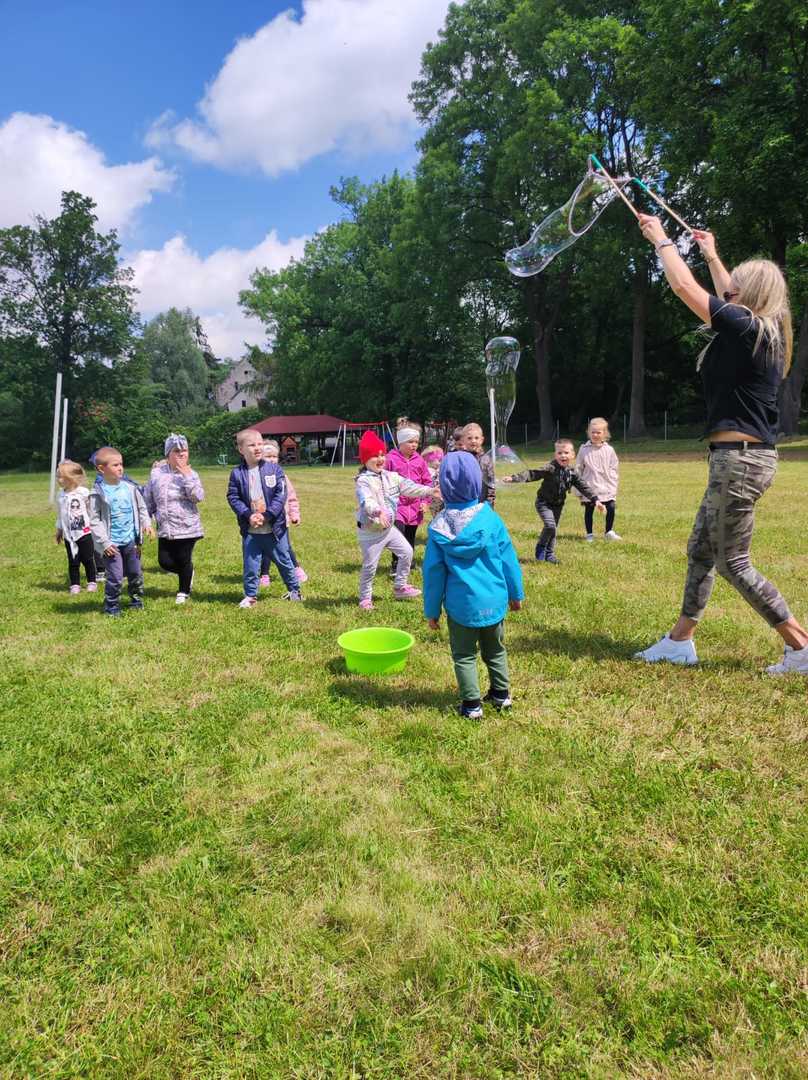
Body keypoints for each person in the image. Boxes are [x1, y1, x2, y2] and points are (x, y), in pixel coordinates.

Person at [634, 214, 808, 674]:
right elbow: (724, 291)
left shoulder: (751, 329)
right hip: (737, 460)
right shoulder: (758, 329)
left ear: (749, 297)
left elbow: (686, 290)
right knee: (701, 550)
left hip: (741, 463)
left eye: (736, 287)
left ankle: (800, 645)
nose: (728, 291)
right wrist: (710, 252)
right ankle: (680, 641)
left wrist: (662, 241)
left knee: (733, 562)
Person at [423, 451, 524, 718]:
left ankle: (472, 706)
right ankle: (501, 696)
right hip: (494, 601)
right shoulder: (491, 519)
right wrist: (516, 594)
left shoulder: (438, 528)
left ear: (443, 487)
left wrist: (432, 612)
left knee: (464, 656)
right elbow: (508, 560)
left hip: (460, 607)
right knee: (496, 650)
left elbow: (433, 574)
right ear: (478, 483)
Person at [354, 430, 435, 610]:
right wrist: (377, 512)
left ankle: (400, 586)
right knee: (370, 567)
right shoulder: (363, 481)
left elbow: (409, 487)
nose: (380, 459)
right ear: (365, 459)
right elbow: (366, 500)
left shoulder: (391, 476)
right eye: (375, 456)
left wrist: (430, 491)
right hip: (370, 533)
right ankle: (365, 598)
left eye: (382, 454)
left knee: (407, 552)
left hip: (388, 530)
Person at [226, 428, 302, 608]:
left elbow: (280, 495)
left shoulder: (274, 469)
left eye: (260, 444)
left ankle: (294, 591)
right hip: (251, 529)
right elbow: (233, 497)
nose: (257, 448)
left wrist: (267, 515)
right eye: (252, 445)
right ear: (241, 449)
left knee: (284, 560)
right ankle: (251, 595)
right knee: (251, 564)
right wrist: (248, 515)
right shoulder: (237, 474)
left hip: (275, 528)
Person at [504, 439, 602, 563]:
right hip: (543, 503)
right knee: (550, 526)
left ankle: (549, 555)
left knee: (553, 530)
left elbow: (583, 486)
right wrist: (513, 478)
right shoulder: (550, 468)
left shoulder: (572, 473)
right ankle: (541, 547)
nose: (563, 455)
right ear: (555, 455)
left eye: (566, 453)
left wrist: (595, 499)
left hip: (558, 505)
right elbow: (533, 474)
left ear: (573, 455)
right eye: (559, 453)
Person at [88, 447, 154, 617]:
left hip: (131, 541)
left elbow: (141, 508)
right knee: (116, 577)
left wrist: (146, 523)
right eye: (115, 465)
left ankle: (136, 600)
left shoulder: (130, 488)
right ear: (101, 469)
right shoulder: (97, 493)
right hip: (112, 545)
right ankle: (111, 606)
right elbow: (94, 521)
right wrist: (105, 543)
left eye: (121, 464)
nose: (120, 468)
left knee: (135, 573)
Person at [144, 433, 204, 605]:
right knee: (165, 562)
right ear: (168, 454)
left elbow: (198, 496)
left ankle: (183, 591)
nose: (182, 454)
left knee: (183, 559)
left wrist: (187, 475)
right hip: (165, 527)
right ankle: (188, 573)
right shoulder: (157, 473)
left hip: (187, 527)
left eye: (185, 451)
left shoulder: (191, 473)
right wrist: (146, 518)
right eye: (177, 451)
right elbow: (150, 497)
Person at [386, 421, 433, 574]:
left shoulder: (419, 461)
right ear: (400, 442)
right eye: (410, 441)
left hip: (414, 507)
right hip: (397, 506)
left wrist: (425, 502)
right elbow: (382, 478)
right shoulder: (390, 459)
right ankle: (396, 564)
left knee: (410, 536)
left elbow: (427, 482)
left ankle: (408, 563)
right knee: (398, 535)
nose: (414, 445)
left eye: (416, 442)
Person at [258, 440, 308, 588]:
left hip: (281, 520)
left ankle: (296, 569)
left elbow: (291, 497)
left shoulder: (282, 476)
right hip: (264, 520)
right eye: (268, 456)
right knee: (266, 549)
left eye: (275, 456)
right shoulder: (256, 477)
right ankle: (264, 574)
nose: (272, 459)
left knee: (285, 547)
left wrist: (294, 514)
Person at [55, 460, 97, 595]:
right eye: (57, 476)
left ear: (72, 478)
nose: (58, 479)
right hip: (69, 535)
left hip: (84, 532)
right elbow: (60, 514)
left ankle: (92, 581)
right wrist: (59, 529)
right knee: (73, 561)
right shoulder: (60, 495)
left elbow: (91, 510)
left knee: (88, 559)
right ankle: (75, 584)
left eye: (60, 476)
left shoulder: (83, 492)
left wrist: (94, 526)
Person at [576, 418, 621, 541]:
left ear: (605, 434)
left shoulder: (609, 450)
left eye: (598, 432)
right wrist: (578, 489)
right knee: (589, 510)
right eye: (593, 432)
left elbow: (614, 467)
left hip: (606, 486)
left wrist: (613, 482)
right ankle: (589, 534)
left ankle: (609, 531)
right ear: (589, 432)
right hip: (590, 486)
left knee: (611, 507)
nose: (595, 435)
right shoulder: (583, 449)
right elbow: (578, 468)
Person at [460, 423, 496, 505]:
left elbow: (491, 484)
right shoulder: (460, 459)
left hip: (482, 502)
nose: (473, 441)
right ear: (463, 440)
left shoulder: (486, 460)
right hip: (464, 503)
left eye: (476, 438)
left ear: (481, 440)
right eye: (469, 438)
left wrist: (488, 504)